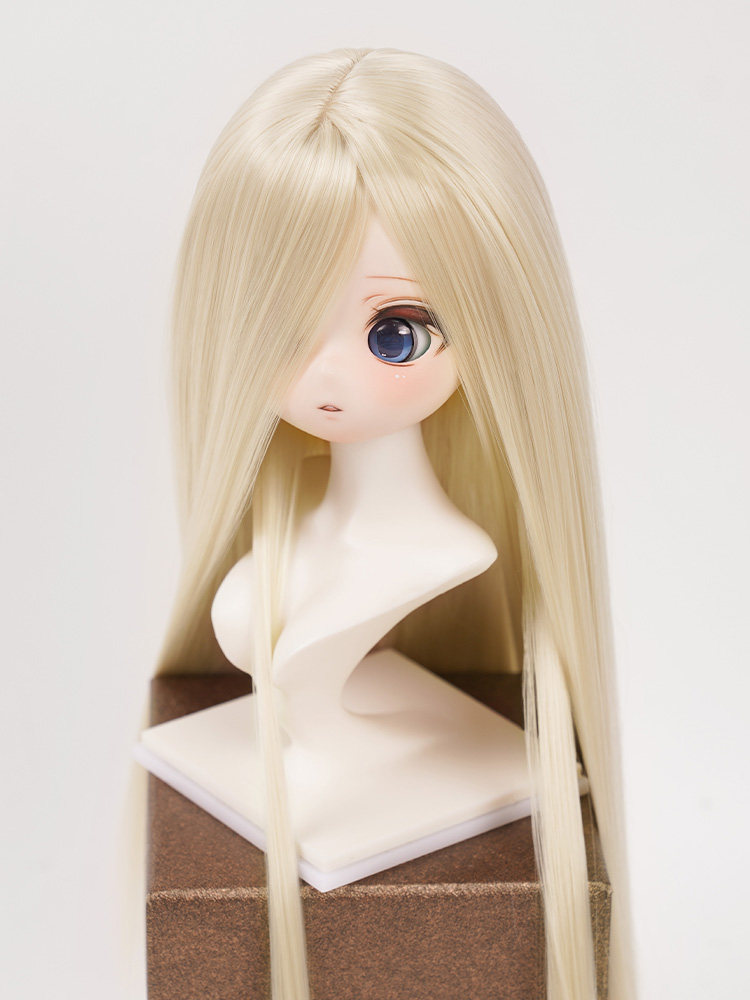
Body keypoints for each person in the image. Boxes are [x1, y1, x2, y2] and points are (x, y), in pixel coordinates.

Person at [155, 46, 634, 1000]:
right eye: (280, 324)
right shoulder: (284, 549)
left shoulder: (445, 552)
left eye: (394, 333)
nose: (325, 376)